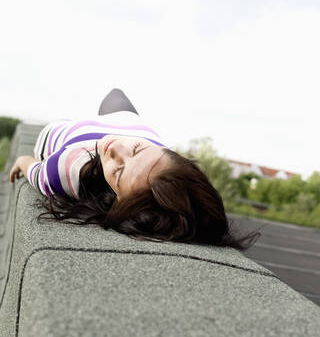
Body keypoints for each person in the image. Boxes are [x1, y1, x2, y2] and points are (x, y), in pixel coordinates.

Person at [9, 88, 260, 249]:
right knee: (116, 94)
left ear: (115, 198)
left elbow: (31, 168)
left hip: (68, 130)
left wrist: (22, 161)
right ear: (171, 152)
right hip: (126, 121)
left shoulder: (65, 171)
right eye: (138, 151)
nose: (115, 150)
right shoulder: (158, 155)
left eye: (118, 172)